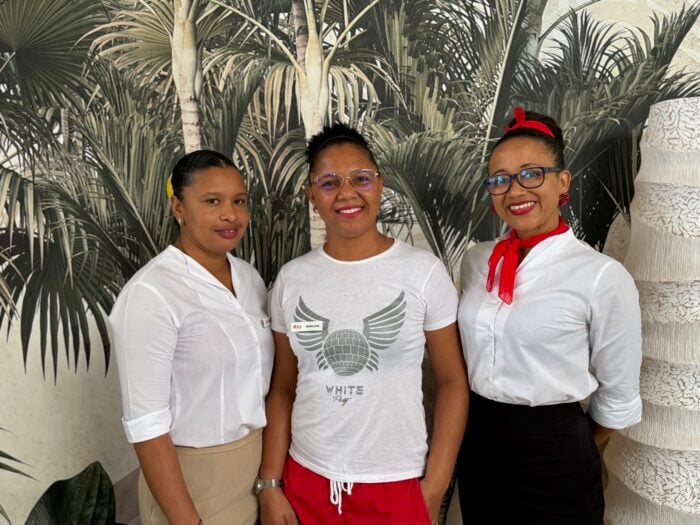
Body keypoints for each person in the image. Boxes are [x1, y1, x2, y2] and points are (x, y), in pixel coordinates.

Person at [257, 123, 469, 525]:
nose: (347, 193)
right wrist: (271, 483)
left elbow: (452, 382)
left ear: (380, 185)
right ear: (311, 194)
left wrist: (435, 485)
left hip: (396, 485)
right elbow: (283, 387)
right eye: (329, 182)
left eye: (361, 178)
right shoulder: (291, 279)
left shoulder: (422, 273)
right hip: (306, 480)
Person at [456, 108, 642, 524]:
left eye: (531, 173)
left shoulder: (600, 277)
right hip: (478, 442)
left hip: (555, 451)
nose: (514, 189)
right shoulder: (475, 261)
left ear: (562, 181)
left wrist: (570, 450)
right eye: (500, 179)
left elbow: (618, 393)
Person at [109, 150, 274, 525]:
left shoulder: (249, 279)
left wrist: (270, 481)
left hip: (257, 471)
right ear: (178, 208)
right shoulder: (151, 294)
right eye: (212, 201)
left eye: (239, 201)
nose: (230, 215)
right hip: (193, 481)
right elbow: (147, 424)